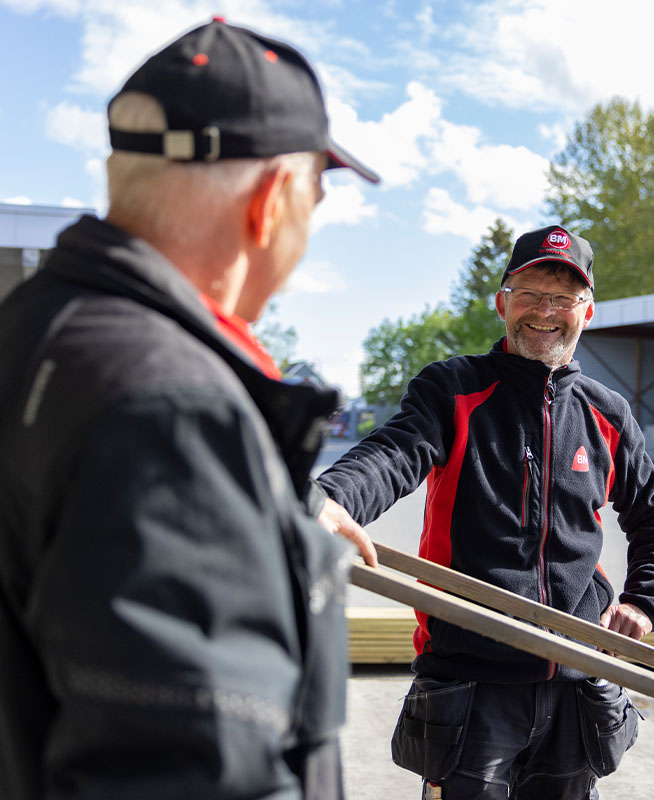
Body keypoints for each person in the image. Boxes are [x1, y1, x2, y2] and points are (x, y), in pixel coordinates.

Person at [0, 18, 378, 800]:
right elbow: (197, 770)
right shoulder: (173, 414)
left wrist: (271, 516)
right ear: (272, 202)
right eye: (316, 193)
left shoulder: (34, 329)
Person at [315, 225, 654, 799]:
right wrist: (332, 499)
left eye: (563, 298)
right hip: (471, 683)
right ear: (502, 303)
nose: (546, 311)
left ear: (589, 311)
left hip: (576, 683)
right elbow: (393, 454)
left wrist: (643, 598)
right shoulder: (453, 389)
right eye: (531, 292)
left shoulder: (607, 413)